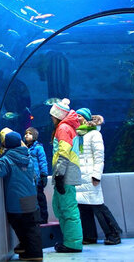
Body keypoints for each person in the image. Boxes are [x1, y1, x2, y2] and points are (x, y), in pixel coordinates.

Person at [0, 131, 42, 261]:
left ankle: (34, 254)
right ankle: (30, 250)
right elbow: (35, 175)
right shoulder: (29, 156)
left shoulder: (8, 158)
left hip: (16, 201)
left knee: (18, 223)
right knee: (31, 226)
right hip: (31, 198)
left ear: (6, 144)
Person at [74, 108, 123, 245]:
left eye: (79, 115)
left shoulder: (94, 134)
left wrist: (96, 175)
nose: (77, 118)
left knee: (98, 206)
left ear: (86, 118)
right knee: (83, 207)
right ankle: (89, 236)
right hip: (79, 177)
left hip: (90, 176)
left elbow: (99, 157)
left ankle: (114, 234)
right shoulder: (77, 136)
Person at [49, 98, 83, 253]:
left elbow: (63, 152)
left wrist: (60, 175)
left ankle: (73, 244)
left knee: (68, 208)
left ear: (58, 115)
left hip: (66, 172)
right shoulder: (66, 127)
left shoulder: (63, 128)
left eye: (52, 115)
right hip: (65, 172)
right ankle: (69, 240)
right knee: (60, 206)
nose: (51, 118)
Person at [24, 127, 49, 224]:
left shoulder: (38, 147)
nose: (27, 135)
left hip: (37, 178)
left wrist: (44, 174)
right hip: (29, 178)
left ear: (34, 136)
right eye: (26, 133)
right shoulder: (25, 148)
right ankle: (35, 218)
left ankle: (43, 217)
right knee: (32, 199)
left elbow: (43, 161)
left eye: (29, 133)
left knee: (40, 198)